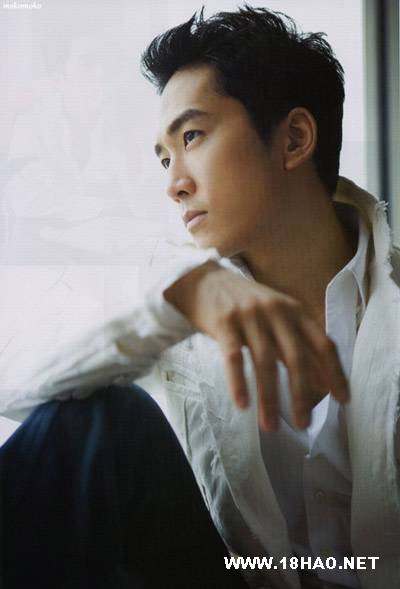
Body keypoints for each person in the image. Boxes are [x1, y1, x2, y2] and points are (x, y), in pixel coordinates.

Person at [1, 5, 399, 589]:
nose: (174, 184)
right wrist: (176, 308)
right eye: (165, 157)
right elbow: (19, 398)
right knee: (103, 419)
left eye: (191, 137)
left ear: (293, 138)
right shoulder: (175, 289)